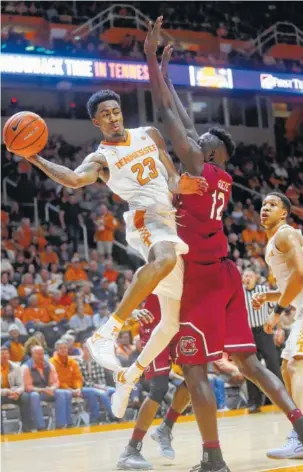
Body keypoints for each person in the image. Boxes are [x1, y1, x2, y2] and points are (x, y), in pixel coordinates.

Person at [143, 17, 303, 472]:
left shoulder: (197, 164)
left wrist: (151, 61)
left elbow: (167, 115)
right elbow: (186, 121)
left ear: (208, 152)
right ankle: (301, 425)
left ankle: (213, 459)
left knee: (194, 370)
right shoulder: (219, 174)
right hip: (227, 272)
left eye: (201, 140)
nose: (194, 137)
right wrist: (169, 71)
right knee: (249, 363)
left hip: (204, 279)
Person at [11, 83, 207, 418]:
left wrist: (182, 186)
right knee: (166, 257)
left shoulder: (149, 134)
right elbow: (74, 180)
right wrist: (35, 157)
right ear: (96, 123)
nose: (113, 118)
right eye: (105, 115)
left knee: (171, 323)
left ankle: (127, 379)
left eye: (116, 111)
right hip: (146, 220)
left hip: (169, 220)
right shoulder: (100, 158)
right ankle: (107, 332)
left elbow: (171, 178)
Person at [252, 192, 303, 459]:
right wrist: (271, 295)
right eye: (263, 205)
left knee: (295, 365)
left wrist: (276, 311)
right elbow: (292, 283)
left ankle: (301, 437)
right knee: (286, 367)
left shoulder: (286, 234)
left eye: (272, 205)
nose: (265, 208)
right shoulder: (274, 242)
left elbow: (301, 274)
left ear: (284, 213)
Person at [117, 295, 190, 469]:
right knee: (159, 388)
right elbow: (124, 301)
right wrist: (133, 311)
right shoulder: (152, 269)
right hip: (155, 326)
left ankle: (165, 428)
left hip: (181, 323)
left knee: (195, 379)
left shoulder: (186, 269)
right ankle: (131, 450)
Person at [242, 268, 283, 413]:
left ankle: (282, 398)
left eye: (250, 276)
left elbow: (275, 310)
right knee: (250, 368)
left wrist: (278, 329)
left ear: (255, 278)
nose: (247, 278)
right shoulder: (239, 293)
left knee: (273, 364)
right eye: (245, 276)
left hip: (264, 331)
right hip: (247, 333)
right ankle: (254, 402)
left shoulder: (263, 289)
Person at [22, 345, 72, 430]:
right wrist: (42, 390)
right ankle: (41, 427)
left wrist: (51, 388)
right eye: (38, 354)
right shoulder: (26, 367)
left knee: (63, 393)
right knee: (34, 396)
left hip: (48, 391)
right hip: (35, 392)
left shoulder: (49, 365)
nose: (41, 356)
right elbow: (27, 387)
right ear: (32, 354)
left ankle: (61, 425)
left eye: (42, 354)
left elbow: (56, 382)